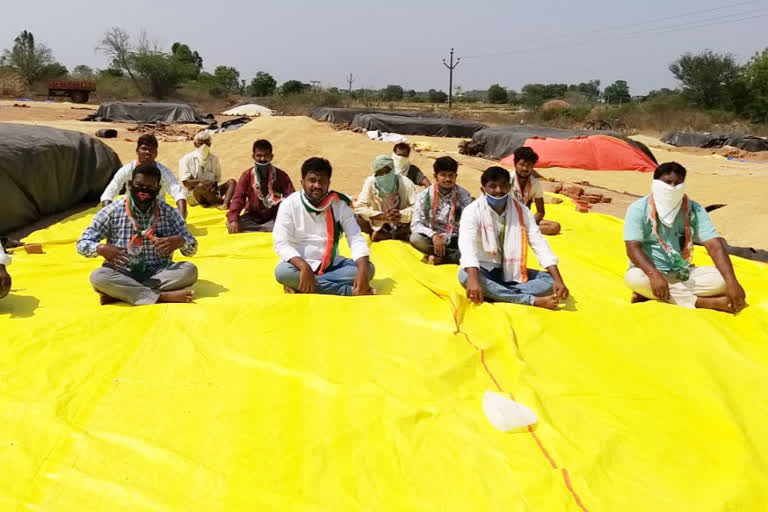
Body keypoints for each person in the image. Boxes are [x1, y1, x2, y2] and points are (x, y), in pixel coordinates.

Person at [623, 162, 746, 313]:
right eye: (667, 182)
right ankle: (703, 303)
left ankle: (655, 295)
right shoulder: (638, 209)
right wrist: (654, 275)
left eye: (678, 183)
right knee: (634, 278)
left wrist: (732, 282)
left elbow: (714, 245)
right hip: (648, 272)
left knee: (722, 280)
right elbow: (632, 248)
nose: (672, 187)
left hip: (681, 272)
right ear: (655, 183)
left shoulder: (693, 208)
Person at [78, 163, 198, 305]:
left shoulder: (169, 212)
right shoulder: (112, 211)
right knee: (98, 276)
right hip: (122, 272)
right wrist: (101, 249)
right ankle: (162, 297)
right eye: (139, 185)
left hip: (159, 272)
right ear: (130, 185)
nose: (143, 191)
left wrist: (180, 241)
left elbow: (192, 248)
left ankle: (122, 294)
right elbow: (83, 242)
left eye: (150, 187)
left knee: (189, 270)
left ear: (158, 189)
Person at [458, 166, 569, 310]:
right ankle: (530, 300)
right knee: (465, 276)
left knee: (549, 281)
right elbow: (467, 246)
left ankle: (497, 293)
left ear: (510, 187)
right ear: (482, 189)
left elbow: (539, 243)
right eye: (492, 186)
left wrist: (558, 280)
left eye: (503, 185)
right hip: (483, 269)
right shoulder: (472, 211)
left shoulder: (522, 210)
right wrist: (474, 279)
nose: (498, 191)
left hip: (511, 270)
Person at [273, 157, 375, 296]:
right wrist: (304, 267)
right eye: (312, 180)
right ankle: (347, 291)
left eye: (322, 181)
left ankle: (303, 285)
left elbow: (355, 237)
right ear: (302, 182)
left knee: (368, 269)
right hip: (299, 264)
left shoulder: (339, 204)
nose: (317, 185)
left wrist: (362, 272)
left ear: (329, 183)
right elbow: (281, 243)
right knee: (283, 273)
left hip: (332, 266)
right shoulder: (289, 204)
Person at [101, 134, 188, 219]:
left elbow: (178, 193)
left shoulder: (164, 172)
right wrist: (107, 218)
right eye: (144, 149)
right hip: (132, 210)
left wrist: (181, 220)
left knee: (179, 213)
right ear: (137, 150)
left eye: (151, 150)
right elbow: (108, 193)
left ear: (156, 153)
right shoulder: (127, 170)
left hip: (156, 212)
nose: (147, 152)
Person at [410, 156, 472, 265]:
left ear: (456, 176)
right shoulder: (424, 196)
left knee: (473, 246)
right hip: (432, 238)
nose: (447, 179)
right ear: (435, 176)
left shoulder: (464, 196)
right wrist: (433, 235)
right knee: (415, 238)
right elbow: (416, 224)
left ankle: (441, 257)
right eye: (443, 175)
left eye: (451, 175)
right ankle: (450, 256)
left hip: (455, 238)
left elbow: (470, 225)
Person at [227, 139, 295, 233]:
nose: (262, 159)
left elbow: (291, 198)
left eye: (266, 155)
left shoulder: (281, 175)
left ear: (271, 157)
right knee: (230, 223)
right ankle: (267, 228)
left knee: (288, 224)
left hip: (274, 215)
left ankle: (268, 227)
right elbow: (238, 198)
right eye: (259, 155)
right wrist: (233, 219)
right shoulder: (247, 175)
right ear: (253, 156)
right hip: (253, 216)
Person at [355, 154, 417, 242]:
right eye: (380, 173)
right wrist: (381, 216)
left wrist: (400, 214)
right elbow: (359, 207)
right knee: (358, 220)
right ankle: (384, 233)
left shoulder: (405, 183)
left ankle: (391, 234)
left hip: (400, 221)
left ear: (393, 169)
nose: (384, 175)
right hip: (377, 220)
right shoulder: (370, 182)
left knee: (417, 223)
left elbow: (417, 208)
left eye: (387, 171)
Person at [510, 146, 561, 236]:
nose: (525, 169)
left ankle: (520, 231)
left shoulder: (535, 184)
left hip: (524, 220)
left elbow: (540, 211)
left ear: (533, 166)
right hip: (507, 218)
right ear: (515, 164)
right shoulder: (507, 180)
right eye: (522, 165)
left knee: (555, 227)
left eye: (529, 165)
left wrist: (531, 224)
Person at [179, 131, 236, 210]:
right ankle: (216, 200)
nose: (204, 146)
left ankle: (224, 204)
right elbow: (185, 183)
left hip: (211, 192)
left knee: (232, 182)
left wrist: (213, 187)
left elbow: (216, 179)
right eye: (201, 143)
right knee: (201, 186)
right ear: (195, 144)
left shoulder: (214, 159)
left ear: (210, 145)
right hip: (194, 194)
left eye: (206, 143)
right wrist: (201, 181)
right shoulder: (187, 159)